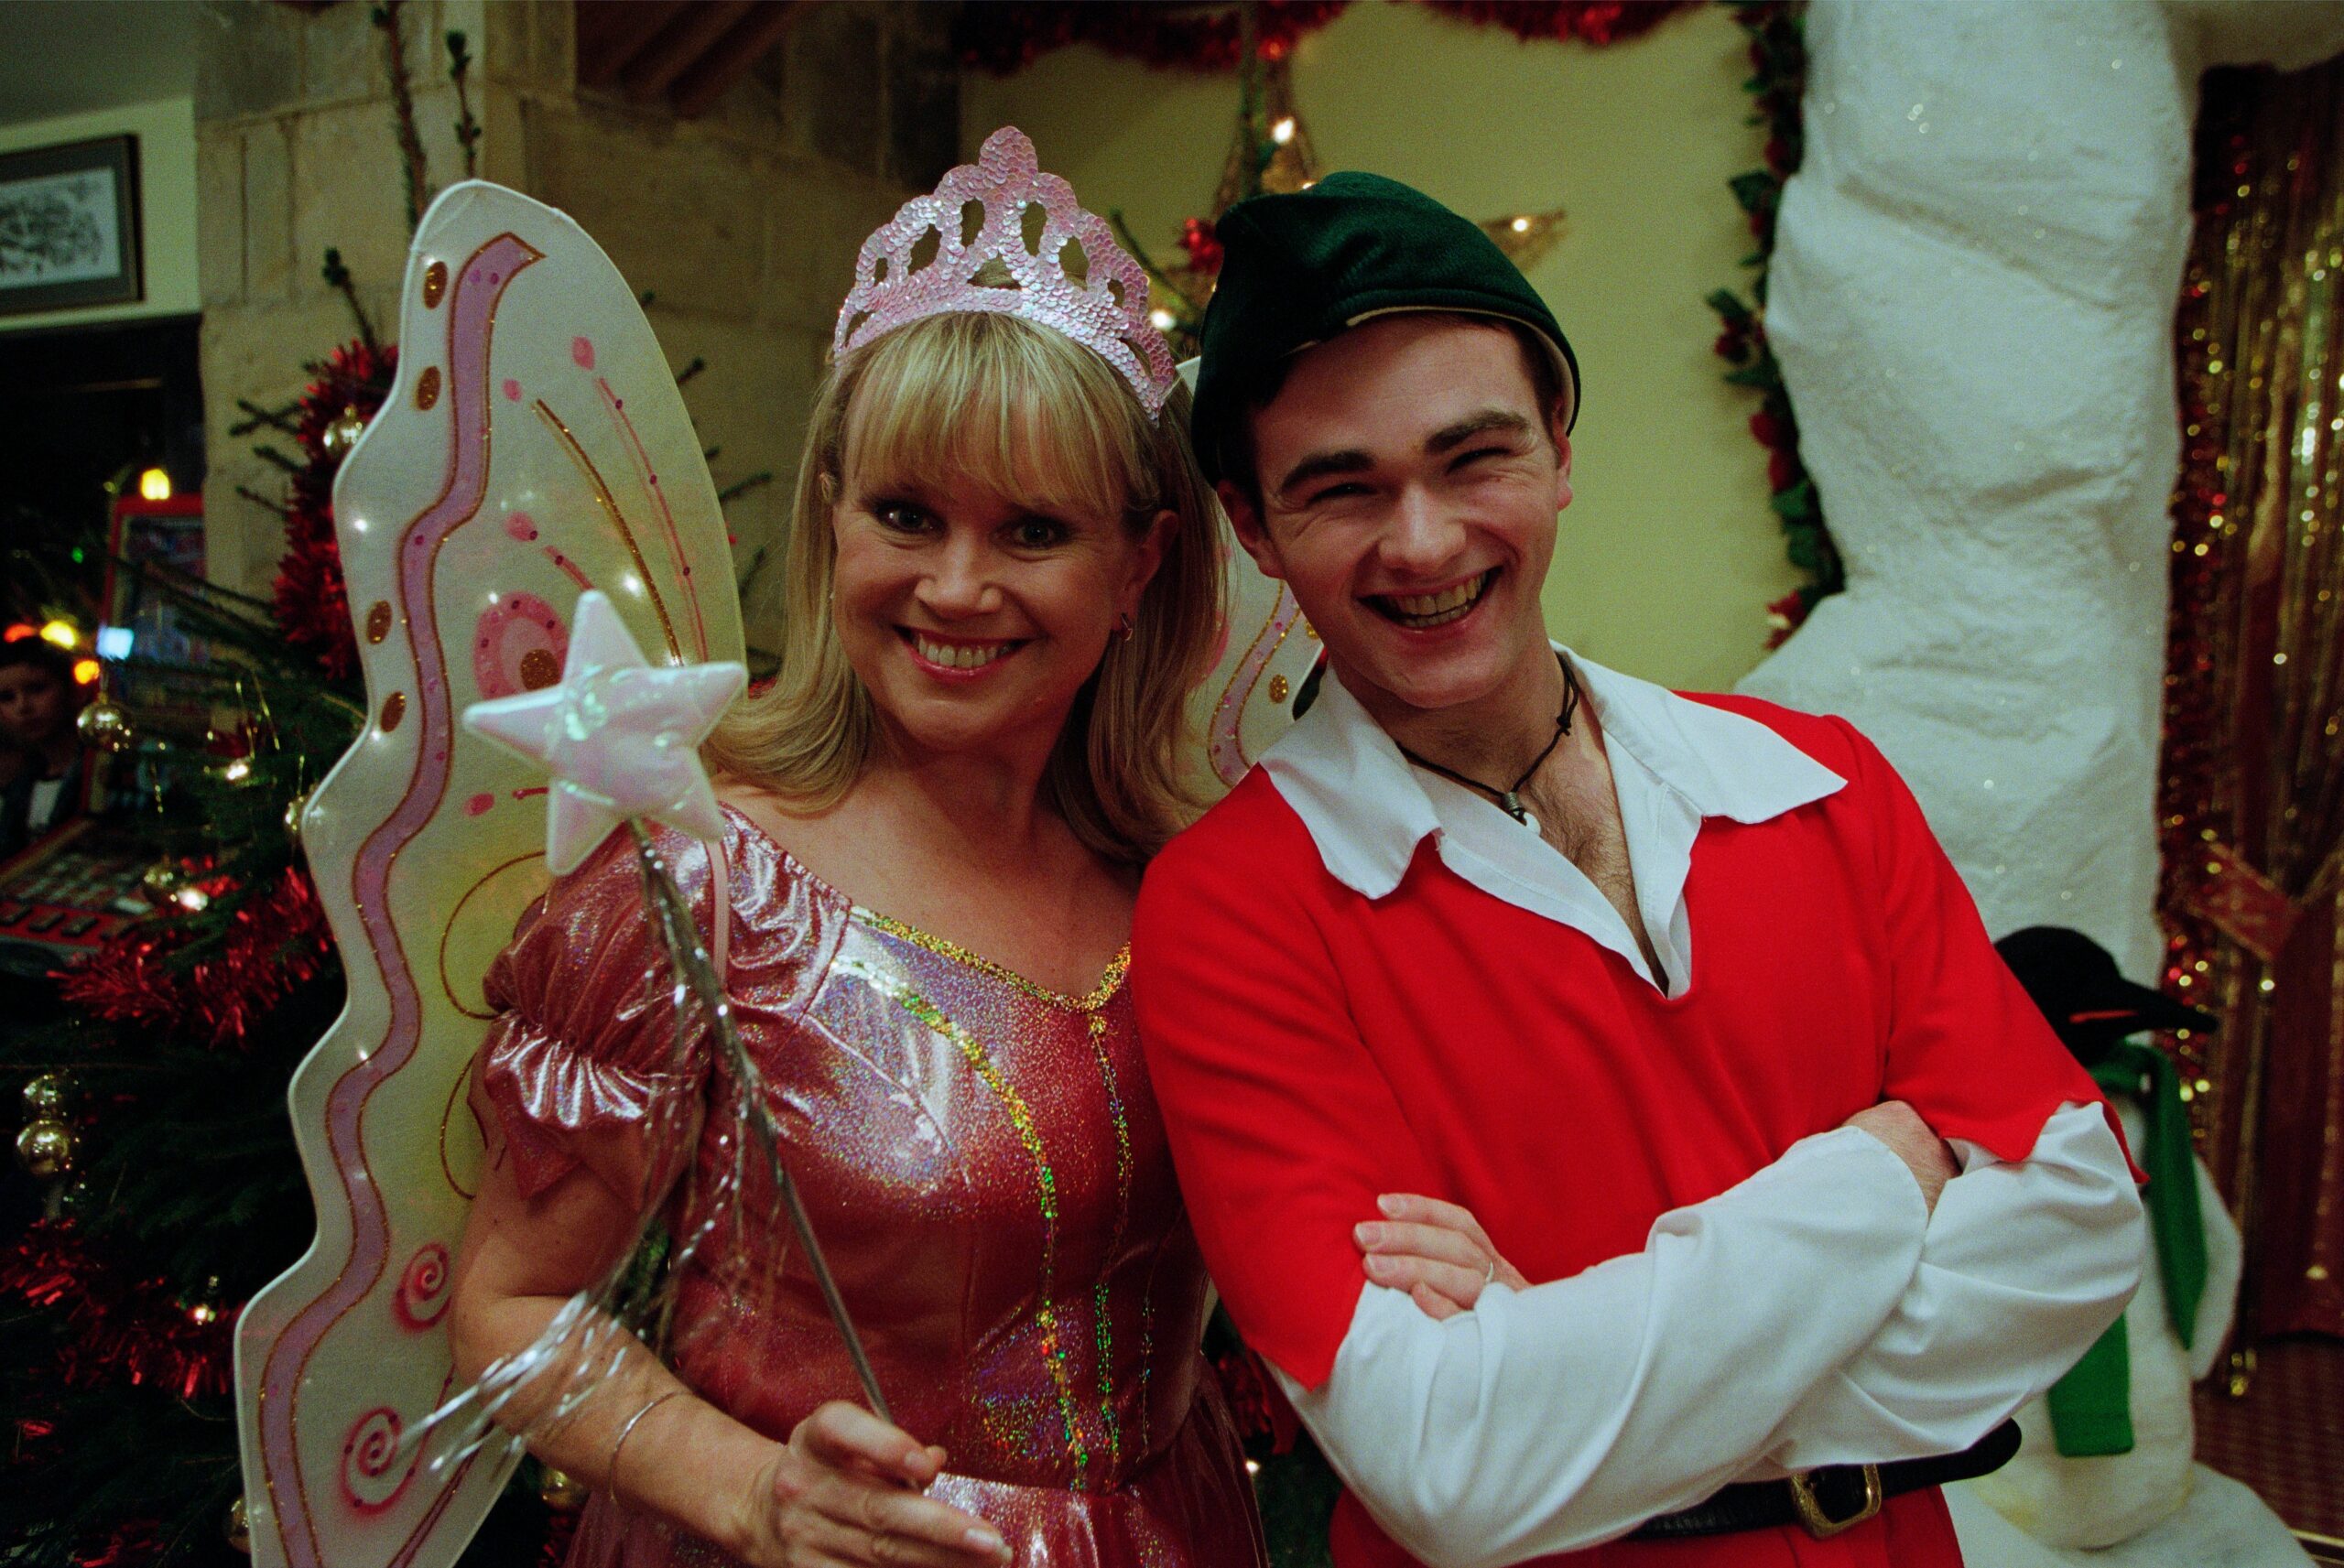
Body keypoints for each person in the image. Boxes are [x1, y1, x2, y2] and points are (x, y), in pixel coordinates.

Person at [1131, 172, 2147, 1568]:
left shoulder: (1821, 783)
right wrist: (1878, 1170)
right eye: (1340, 488)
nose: (1422, 541)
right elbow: (1452, 1465)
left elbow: (2081, 1225)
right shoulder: (1232, 911)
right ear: (1253, 527)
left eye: (1471, 456)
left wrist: (1557, 1341)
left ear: (1559, 446)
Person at [446, 130, 1297, 1568]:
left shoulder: (1201, 887)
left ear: (1138, 566)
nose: (954, 588)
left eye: (1033, 529)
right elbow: (506, 1312)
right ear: (832, 514)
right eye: (905, 513)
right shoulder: (696, 881)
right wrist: (747, 1489)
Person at [0, 639, 90, 860]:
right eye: (7, 698)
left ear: (72, 692)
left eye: (37, 689)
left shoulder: (97, 777)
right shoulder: (20, 785)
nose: (23, 707)